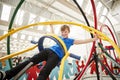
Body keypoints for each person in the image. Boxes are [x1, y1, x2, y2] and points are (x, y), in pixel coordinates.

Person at [0, 25, 99, 80]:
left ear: (68, 32)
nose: (64, 33)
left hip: (56, 56)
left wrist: (94, 39)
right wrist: (51, 26)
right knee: (30, 61)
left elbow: (82, 41)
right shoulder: (59, 37)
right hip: (48, 50)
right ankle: (7, 74)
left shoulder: (70, 41)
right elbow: (52, 34)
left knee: (45, 71)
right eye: (63, 32)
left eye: (66, 31)